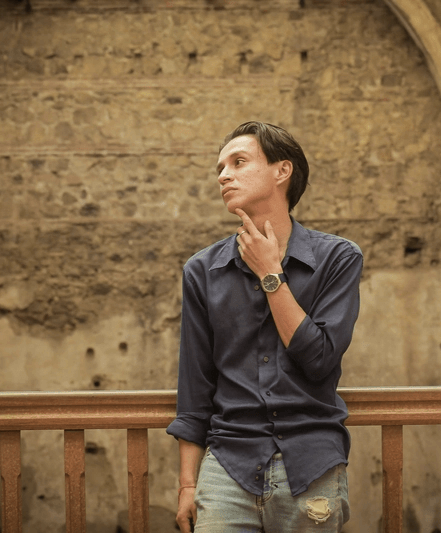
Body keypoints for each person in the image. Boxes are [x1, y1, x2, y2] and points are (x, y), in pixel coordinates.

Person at [166, 121, 363, 532]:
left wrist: (270, 274)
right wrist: (188, 485)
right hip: (226, 469)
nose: (223, 175)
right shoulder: (202, 271)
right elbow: (195, 387)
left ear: (281, 171)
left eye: (239, 162)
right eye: (220, 167)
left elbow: (319, 359)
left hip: (312, 463)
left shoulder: (338, 259)